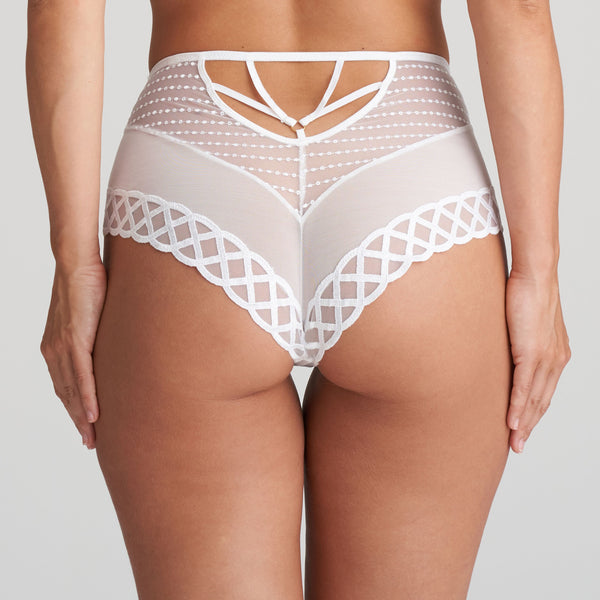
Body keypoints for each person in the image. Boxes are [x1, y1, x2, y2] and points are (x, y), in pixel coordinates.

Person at [26, 0, 571, 598]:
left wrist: (74, 264)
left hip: (195, 157)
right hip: (408, 162)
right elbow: (517, 9)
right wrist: (538, 272)